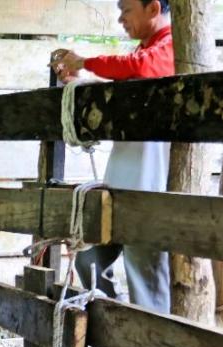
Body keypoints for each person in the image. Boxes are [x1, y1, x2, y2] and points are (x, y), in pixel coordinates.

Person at [50, 0, 173, 314]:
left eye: (126, 9)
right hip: (121, 182)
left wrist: (85, 62)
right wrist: (81, 85)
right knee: (88, 259)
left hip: (151, 186)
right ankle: (117, 331)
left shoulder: (171, 47)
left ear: (153, 8)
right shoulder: (142, 54)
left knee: (144, 273)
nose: (121, 19)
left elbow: (144, 67)